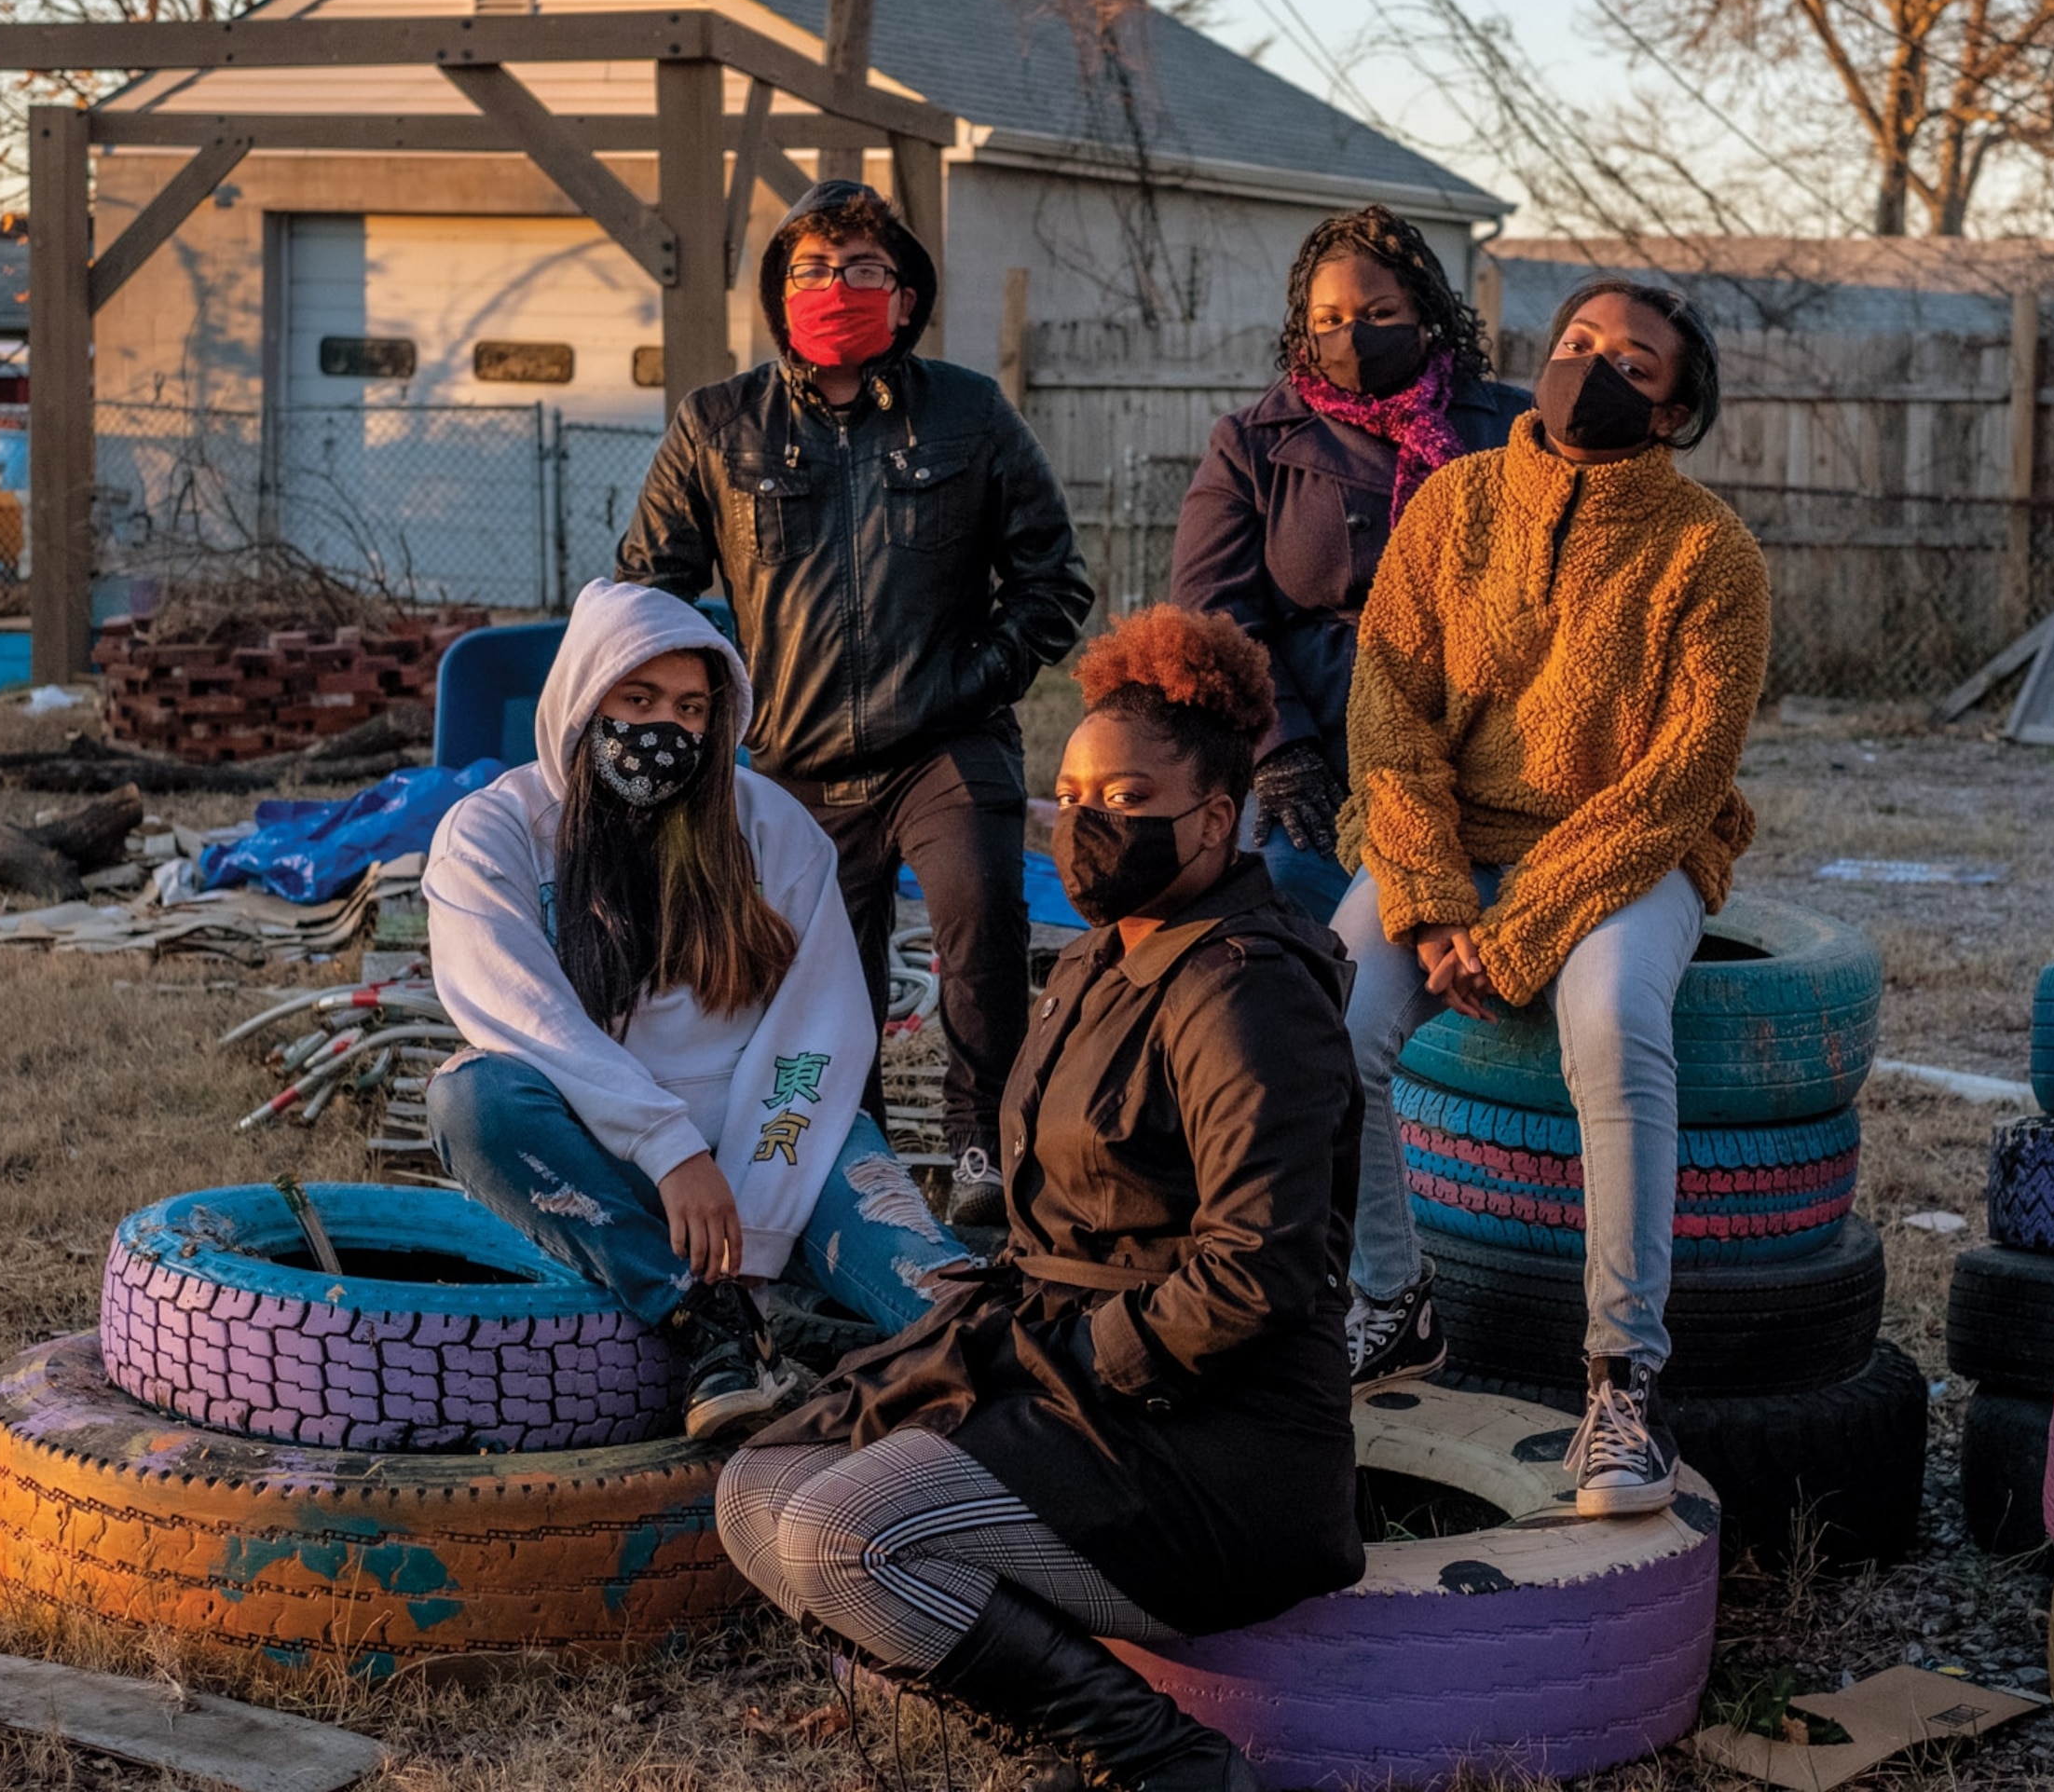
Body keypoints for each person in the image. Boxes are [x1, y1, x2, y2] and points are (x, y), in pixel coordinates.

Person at [717, 606, 1363, 1792]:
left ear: (1215, 819)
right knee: (756, 1492)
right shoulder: (1101, 955)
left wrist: (1076, 1363)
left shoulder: (1248, 990)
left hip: (1207, 1437)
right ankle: (1034, 1716)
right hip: (1069, 1370)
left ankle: (1165, 1761)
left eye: (1126, 799)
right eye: (1071, 794)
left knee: (840, 1530)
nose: (1084, 825)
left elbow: (1256, 1269)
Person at [1332, 280, 1768, 1517]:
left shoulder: (1711, 553)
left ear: (1678, 407)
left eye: (1633, 361)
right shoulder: (1455, 504)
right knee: (1330, 1003)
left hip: (1633, 859)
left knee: (1611, 1022)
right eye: (1578, 345)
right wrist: (1423, 899)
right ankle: (1390, 1301)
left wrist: (1517, 933)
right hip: (1449, 846)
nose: (1593, 370)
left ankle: (1626, 1380)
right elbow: (1388, 712)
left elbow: (1680, 780)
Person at [617, 178, 1093, 1228]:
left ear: (909, 297)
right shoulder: (717, 425)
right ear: (781, 293)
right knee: (823, 983)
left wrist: (966, 682)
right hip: (792, 755)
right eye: (815, 268)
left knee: (980, 914)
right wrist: (692, 715)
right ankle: (853, 1158)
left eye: (866, 269)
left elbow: (1056, 584)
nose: (840, 286)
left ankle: (984, 1148)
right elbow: (646, 591)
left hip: (946, 742)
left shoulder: (969, 412)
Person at [423, 579, 968, 1434]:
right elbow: (519, 1011)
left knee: (938, 1298)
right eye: (635, 698)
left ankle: (1069, 1408)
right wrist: (670, 1149)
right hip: (602, 1153)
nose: (662, 730)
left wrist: (751, 1221)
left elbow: (818, 1031)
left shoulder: (772, 829)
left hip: (782, 1142)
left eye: (689, 708)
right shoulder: (491, 833)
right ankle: (714, 1321)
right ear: (579, 696)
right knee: (472, 1099)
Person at [1170, 206, 1529, 922]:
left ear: (1424, 313)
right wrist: (1280, 753)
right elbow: (1216, 616)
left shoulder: (1511, 429)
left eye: (1378, 312)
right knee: (1286, 904)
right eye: (1328, 318)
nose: (1351, 335)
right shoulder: (1252, 443)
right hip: (1321, 751)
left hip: (1491, 744)